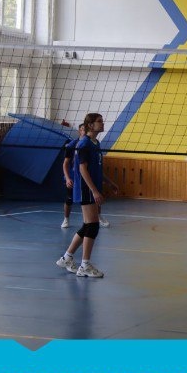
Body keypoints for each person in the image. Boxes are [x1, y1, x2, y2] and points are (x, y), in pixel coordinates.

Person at [56, 113, 118, 278]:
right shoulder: (84, 144)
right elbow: (82, 169)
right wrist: (95, 191)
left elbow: (96, 169)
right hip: (86, 189)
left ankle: (67, 257)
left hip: (90, 188)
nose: (102, 123)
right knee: (93, 226)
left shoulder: (95, 143)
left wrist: (109, 182)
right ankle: (85, 265)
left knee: (88, 226)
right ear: (90, 125)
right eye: (99, 121)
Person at [61, 124, 111, 229]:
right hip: (74, 177)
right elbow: (65, 164)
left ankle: (98, 217)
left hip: (87, 177)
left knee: (95, 198)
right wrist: (68, 178)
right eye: (82, 130)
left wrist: (109, 182)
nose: (84, 131)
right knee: (69, 199)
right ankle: (66, 219)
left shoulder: (94, 143)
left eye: (85, 129)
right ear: (79, 131)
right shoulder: (73, 145)